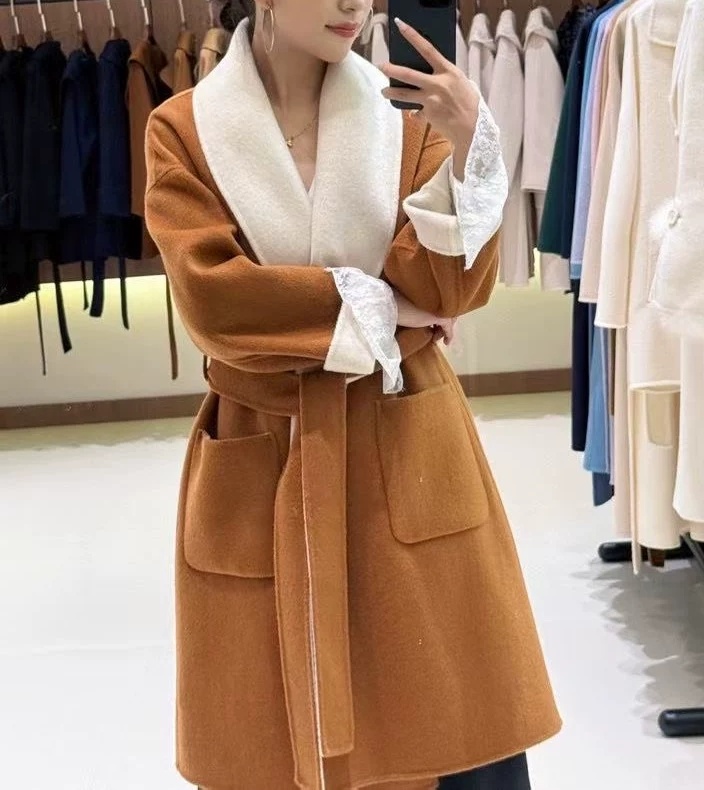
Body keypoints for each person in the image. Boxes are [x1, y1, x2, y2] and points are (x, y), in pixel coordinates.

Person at [144, 1, 562, 788]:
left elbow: (446, 291)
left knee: (452, 714)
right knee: (269, 728)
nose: (354, 5)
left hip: (407, 436)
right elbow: (215, 303)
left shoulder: (405, 118)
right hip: (264, 450)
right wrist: (379, 304)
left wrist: (469, 149)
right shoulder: (185, 129)